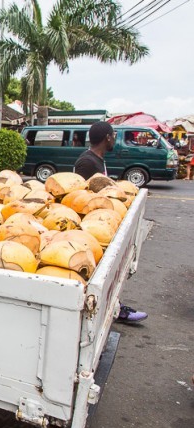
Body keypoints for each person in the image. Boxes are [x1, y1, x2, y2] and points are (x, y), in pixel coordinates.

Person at [73, 122, 147, 324]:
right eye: (113, 135)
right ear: (107, 137)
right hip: (90, 228)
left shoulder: (97, 160)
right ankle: (111, 310)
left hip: (101, 223)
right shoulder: (87, 163)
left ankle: (116, 307)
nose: (115, 139)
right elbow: (78, 196)